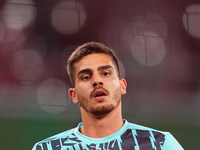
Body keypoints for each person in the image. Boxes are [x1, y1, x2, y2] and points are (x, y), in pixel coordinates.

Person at [32, 42, 184, 150]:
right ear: (74, 95)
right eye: (85, 77)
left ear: (122, 85)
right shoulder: (46, 148)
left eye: (106, 73)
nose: (97, 81)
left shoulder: (159, 144)